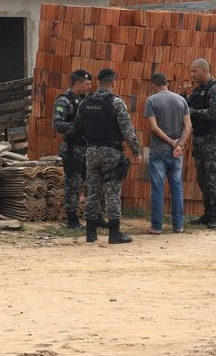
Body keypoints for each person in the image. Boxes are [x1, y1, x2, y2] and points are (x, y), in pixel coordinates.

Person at [73, 68, 141, 244]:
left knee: (93, 191)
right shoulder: (115, 102)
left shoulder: (85, 102)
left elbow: (78, 127)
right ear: (113, 83)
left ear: (98, 82)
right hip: (111, 152)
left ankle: (90, 233)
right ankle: (114, 233)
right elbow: (127, 130)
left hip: (91, 152)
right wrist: (136, 151)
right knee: (112, 192)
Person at [144, 72, 192, 234]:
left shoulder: (151, 101)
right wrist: (179, 144)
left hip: (158, 151)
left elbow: (154, 128)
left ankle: (157, 226)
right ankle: (178, 225)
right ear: (167, 83)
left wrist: (171, 142)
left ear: (154, 85)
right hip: (176, 153)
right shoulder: (181, 100)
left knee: (158, 188)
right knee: (177, 188)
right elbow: (188, 126)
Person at [185, 58, 216, 229]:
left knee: (214, 177)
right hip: (199, 138)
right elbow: (186, 107)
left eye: (194, 71)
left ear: (204, 70)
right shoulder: (198, 91)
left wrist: (192, 112)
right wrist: (183, 98)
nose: (192, 74)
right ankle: (208, 213)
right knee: (202, 178)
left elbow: (214, 112)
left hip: (212, 139)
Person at [52, 69, 93, 229]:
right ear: (77, 83)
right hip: (72, 149)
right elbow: (57, 124)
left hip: (88, 150)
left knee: (92, 183)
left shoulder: (88, 100)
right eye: (87, 84)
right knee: (73, 185)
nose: (90, 87)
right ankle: (72, 219)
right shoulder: (64, 101)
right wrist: (76, 127)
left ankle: (92, 217)